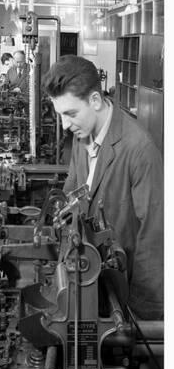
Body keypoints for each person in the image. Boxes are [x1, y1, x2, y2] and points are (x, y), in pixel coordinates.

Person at [42, 55, 163, 321]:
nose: (65, 124)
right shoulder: (81, 134)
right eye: (59, 114)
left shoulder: (139, 150)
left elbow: (155, 239)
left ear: (95, 101)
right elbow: (73, 188)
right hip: (91, 279)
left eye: (70, 113)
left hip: (123, 295)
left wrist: (143, 317)